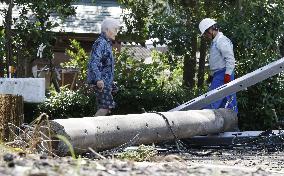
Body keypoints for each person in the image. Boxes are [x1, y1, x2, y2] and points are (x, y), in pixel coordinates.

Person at [199, 18, 238, 113]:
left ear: (211, 29)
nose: (206, 36)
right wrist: (211, 76)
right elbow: (216, 61)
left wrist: (227, 75)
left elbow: (230, 59)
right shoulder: (215, 42)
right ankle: (227, 126)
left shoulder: (221, 40)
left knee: (213, 101)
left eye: (206, 33)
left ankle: (230, 125)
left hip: (223, 74)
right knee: (224, 102)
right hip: (219, 74)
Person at [87, 18, 120, 116]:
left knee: (106, 107)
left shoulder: (106, 43)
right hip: (101, 81)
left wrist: (110, 81)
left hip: (105, 81)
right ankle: (92, 129)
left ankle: (100, 129)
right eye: (115, 29)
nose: (116, 33)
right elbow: (93, 62)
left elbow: (105, 65)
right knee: (105, 107)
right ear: (106, 30)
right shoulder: (101, 43)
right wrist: (98, 79)